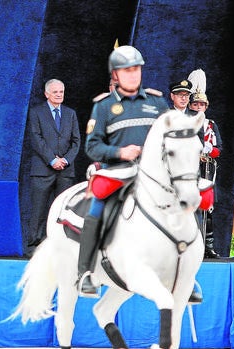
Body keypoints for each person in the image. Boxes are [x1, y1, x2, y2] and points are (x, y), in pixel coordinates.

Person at [79, 45, 169, 297]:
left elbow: (169, 136)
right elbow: (92, 146)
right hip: (118, 173)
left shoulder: (156, 101)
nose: (133, 75)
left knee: (185, 201)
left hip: (153, 175)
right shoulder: (104, 106)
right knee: (95, 210)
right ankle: (85, 273)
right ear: (115, 75)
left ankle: (186, 272)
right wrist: (120, 153)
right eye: (126, 70)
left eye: (136, 69)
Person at [25, 79, 80, 258]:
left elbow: (76, 141)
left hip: (65, 170)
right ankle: (35, 248)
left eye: (61, 91)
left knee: (63, 211)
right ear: (46, 94)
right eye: (55, 92)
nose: (59, 95)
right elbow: (35, 138)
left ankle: (62, 248)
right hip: (43, 170)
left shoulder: (70, 114)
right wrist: (51, 159)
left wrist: (65, 160)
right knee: (39, 211)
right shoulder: (36, 112)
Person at [187, 74, 221, 259]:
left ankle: (208, 247)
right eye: (195, 104)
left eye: (202, 105)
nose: (198, 108)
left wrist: (209, 151)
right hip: (188, 170)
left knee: (207, 208)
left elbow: (219, 149)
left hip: (207, 170)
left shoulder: (211, 125)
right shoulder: (186, 122)